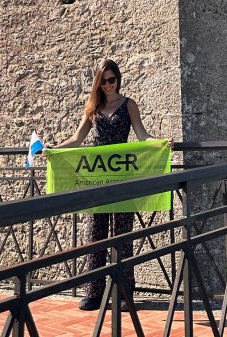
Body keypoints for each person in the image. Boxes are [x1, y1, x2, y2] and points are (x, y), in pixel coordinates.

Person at [55, 58, 164, 311]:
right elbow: (77, 138)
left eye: (111, 80)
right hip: (97, 179)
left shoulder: (129, 105)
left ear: (118, 79)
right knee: (95, 234)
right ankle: (94, 293)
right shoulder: (92, 108)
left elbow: (142, 135)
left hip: (122, 178)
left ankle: (124, 292)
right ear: (97, 83)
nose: (107, 85)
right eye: (102, 81)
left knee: (122, 236)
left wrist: (160, 143)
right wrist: (54, 150)